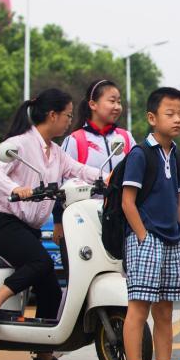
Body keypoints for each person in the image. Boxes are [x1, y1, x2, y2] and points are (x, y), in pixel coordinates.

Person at [0, 89, 104, 360]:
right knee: (40, 263)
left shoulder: (56, 153)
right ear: (52, 115)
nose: (70, 121)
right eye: (68, 115)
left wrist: (107, 177)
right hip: (2, 221)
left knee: (50, 288)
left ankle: (43, 356)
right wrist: (14, 189)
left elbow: (80, 170)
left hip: (27, 227)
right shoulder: (19, 144)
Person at [119, 87, 180, 360]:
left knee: (165, 310)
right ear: (152, 118)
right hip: (146, 239)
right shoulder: (140, 154)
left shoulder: (175, 155)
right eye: (170, 114)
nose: (177, 119)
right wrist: (142, 235)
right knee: (138, 309)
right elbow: (127, 202)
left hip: (173, 240)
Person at [52, 79, 135, 267]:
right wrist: (58, 221)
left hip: (120, 220)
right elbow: (61, 183)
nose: (117, 106)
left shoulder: (126, 138)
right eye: (111, 101)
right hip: (84, 221)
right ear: (93, 104)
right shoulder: (75, 140)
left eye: (119, 102)